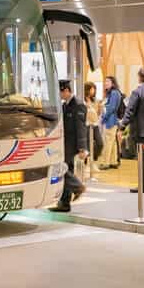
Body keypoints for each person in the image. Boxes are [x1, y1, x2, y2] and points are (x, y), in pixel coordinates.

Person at [49, 80, 88, 212]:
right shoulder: (65, 105)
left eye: (60, 92)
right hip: (64, 143)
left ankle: (78, 187)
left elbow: (81, 128)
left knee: (61, 169)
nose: (59, 95)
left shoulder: (78, 105)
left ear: (66, 90)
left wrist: (82, 148)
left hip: (72, 144)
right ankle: (65, 203)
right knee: (67, 169)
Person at [99, 76, 124, 169]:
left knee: (107, 143)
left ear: (113, 83)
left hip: (110, 120)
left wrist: (103, 118)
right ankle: (113, 161)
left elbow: (111, 108)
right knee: (112, 142)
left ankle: (105, 163)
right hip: (113, 120)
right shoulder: (115, 92)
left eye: (108, 81)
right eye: (105, 81)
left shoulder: (113, 93)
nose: (105, 83)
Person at [83, 82, 103, 170]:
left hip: (95, 125)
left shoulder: (95, 100)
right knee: (86, 145)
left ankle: (94, 161)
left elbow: (97, 114)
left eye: (94, 89)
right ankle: (85, 164)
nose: (93, 91)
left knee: (100, 143)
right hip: (86, 125)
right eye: (92, 89)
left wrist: (100, 108)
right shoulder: (83, 100)